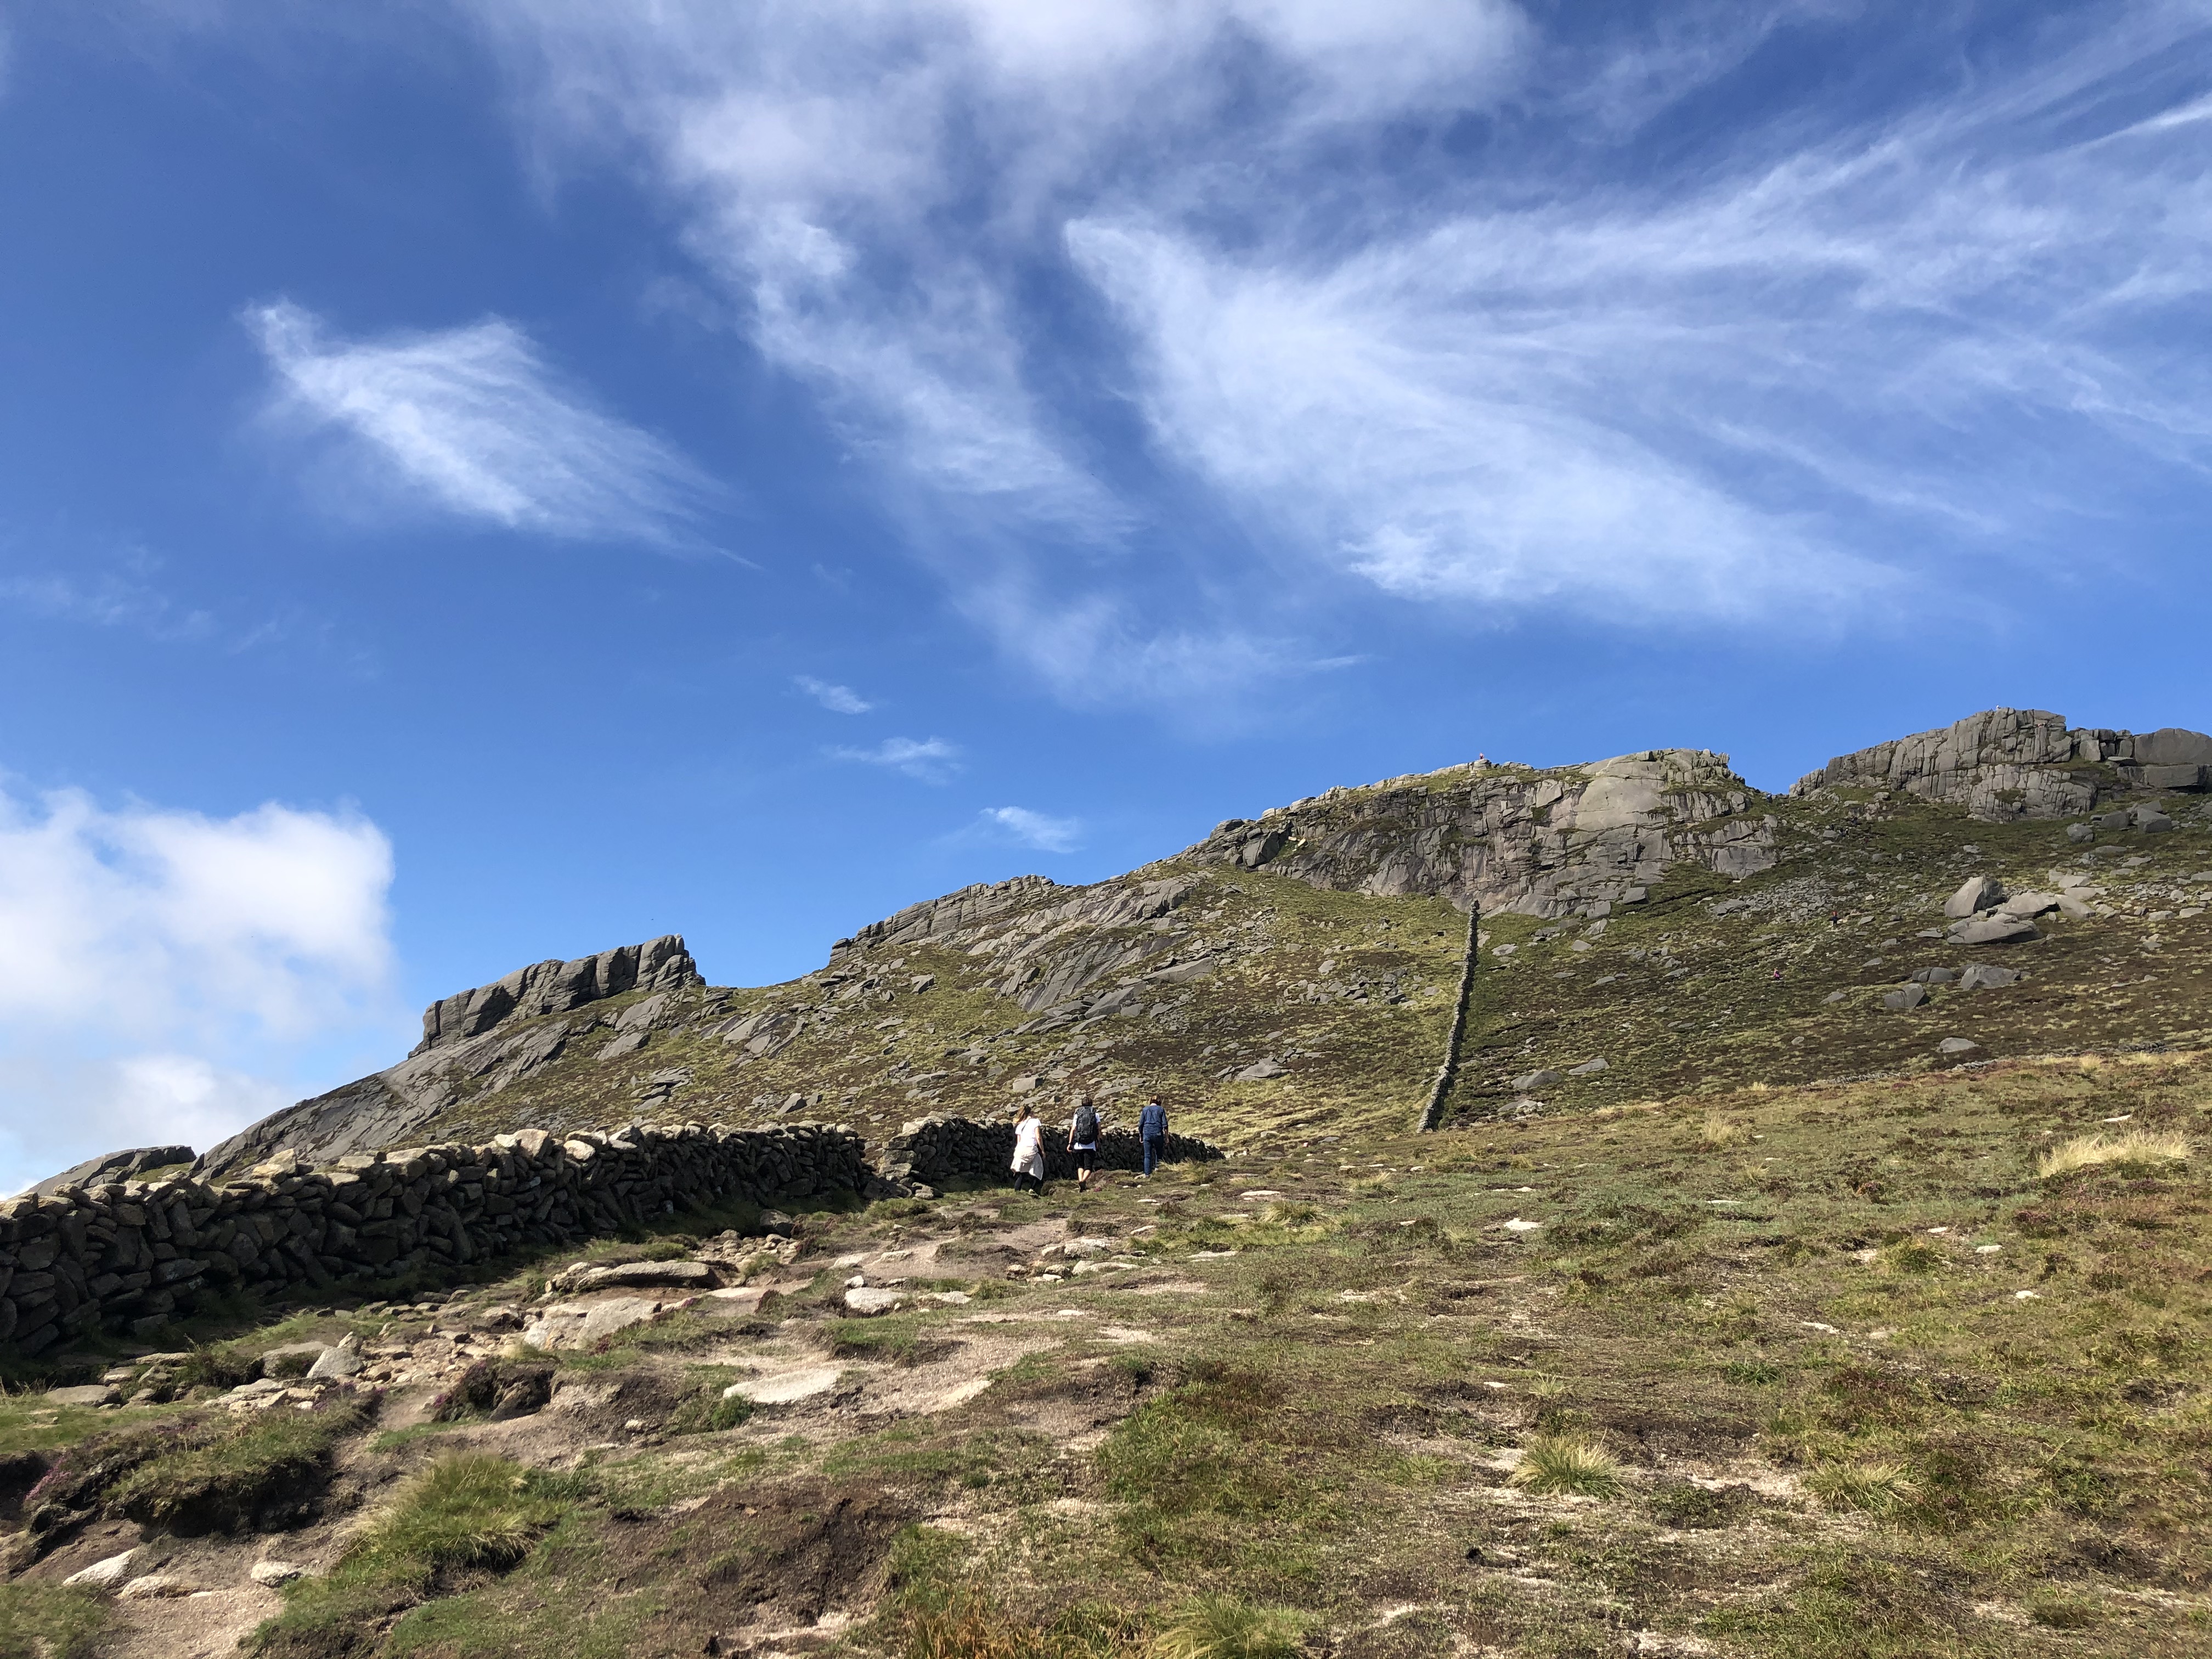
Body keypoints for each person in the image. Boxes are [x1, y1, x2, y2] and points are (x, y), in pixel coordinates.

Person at [1068, 1096, 1102, 1190]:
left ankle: (1080, 1181)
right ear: (1091, 1104)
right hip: (1091, 1145)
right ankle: (1083, 1181)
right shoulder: (1095, 1114)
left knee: (1080, 1166)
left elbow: (1073, 1129)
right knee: (1088, 1167)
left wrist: (1070, 1143)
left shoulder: (1078, 1114)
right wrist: (1099, 1139)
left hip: (1078, 1144)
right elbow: (1099, 1128)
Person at [1009, 1103, 1045, 1195]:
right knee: (1039, 1168)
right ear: (1031, 1113)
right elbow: (1038, 1137)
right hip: (1031, 1149)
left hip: (1020, 1150)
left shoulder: (1020, 1125)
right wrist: (1042, 1150)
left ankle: (1017, 1191)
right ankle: (1032, 1189)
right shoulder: (1035, 1121)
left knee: (1023, 1172)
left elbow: (1019, 1141)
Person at [1138, 1094, 1169, 1176]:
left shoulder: (1145, 1110)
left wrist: (1141, 1135)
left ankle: (1147, 1174)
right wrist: (1167, 1137)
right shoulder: (1161, 1109)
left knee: (1147, 1155)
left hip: (1147, 1134)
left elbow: (1141, 1124)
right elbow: (1165, 1125)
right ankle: (1158, 1172)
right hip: (1158, 1133)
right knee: (1159, 1154)